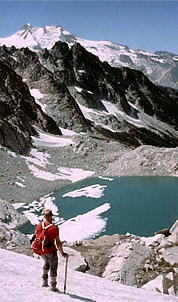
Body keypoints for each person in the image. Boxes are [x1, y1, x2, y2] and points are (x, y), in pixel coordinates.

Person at [35, 208, 69, 291]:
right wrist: (62, 253)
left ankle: (44, 281)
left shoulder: (40, 225)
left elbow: (37, 236)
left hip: (42, 250)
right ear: (50, 216)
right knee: (53, 267)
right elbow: (58, 242)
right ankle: (53, 286)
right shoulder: (54, 228)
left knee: (46, 263)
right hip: (51, 250)